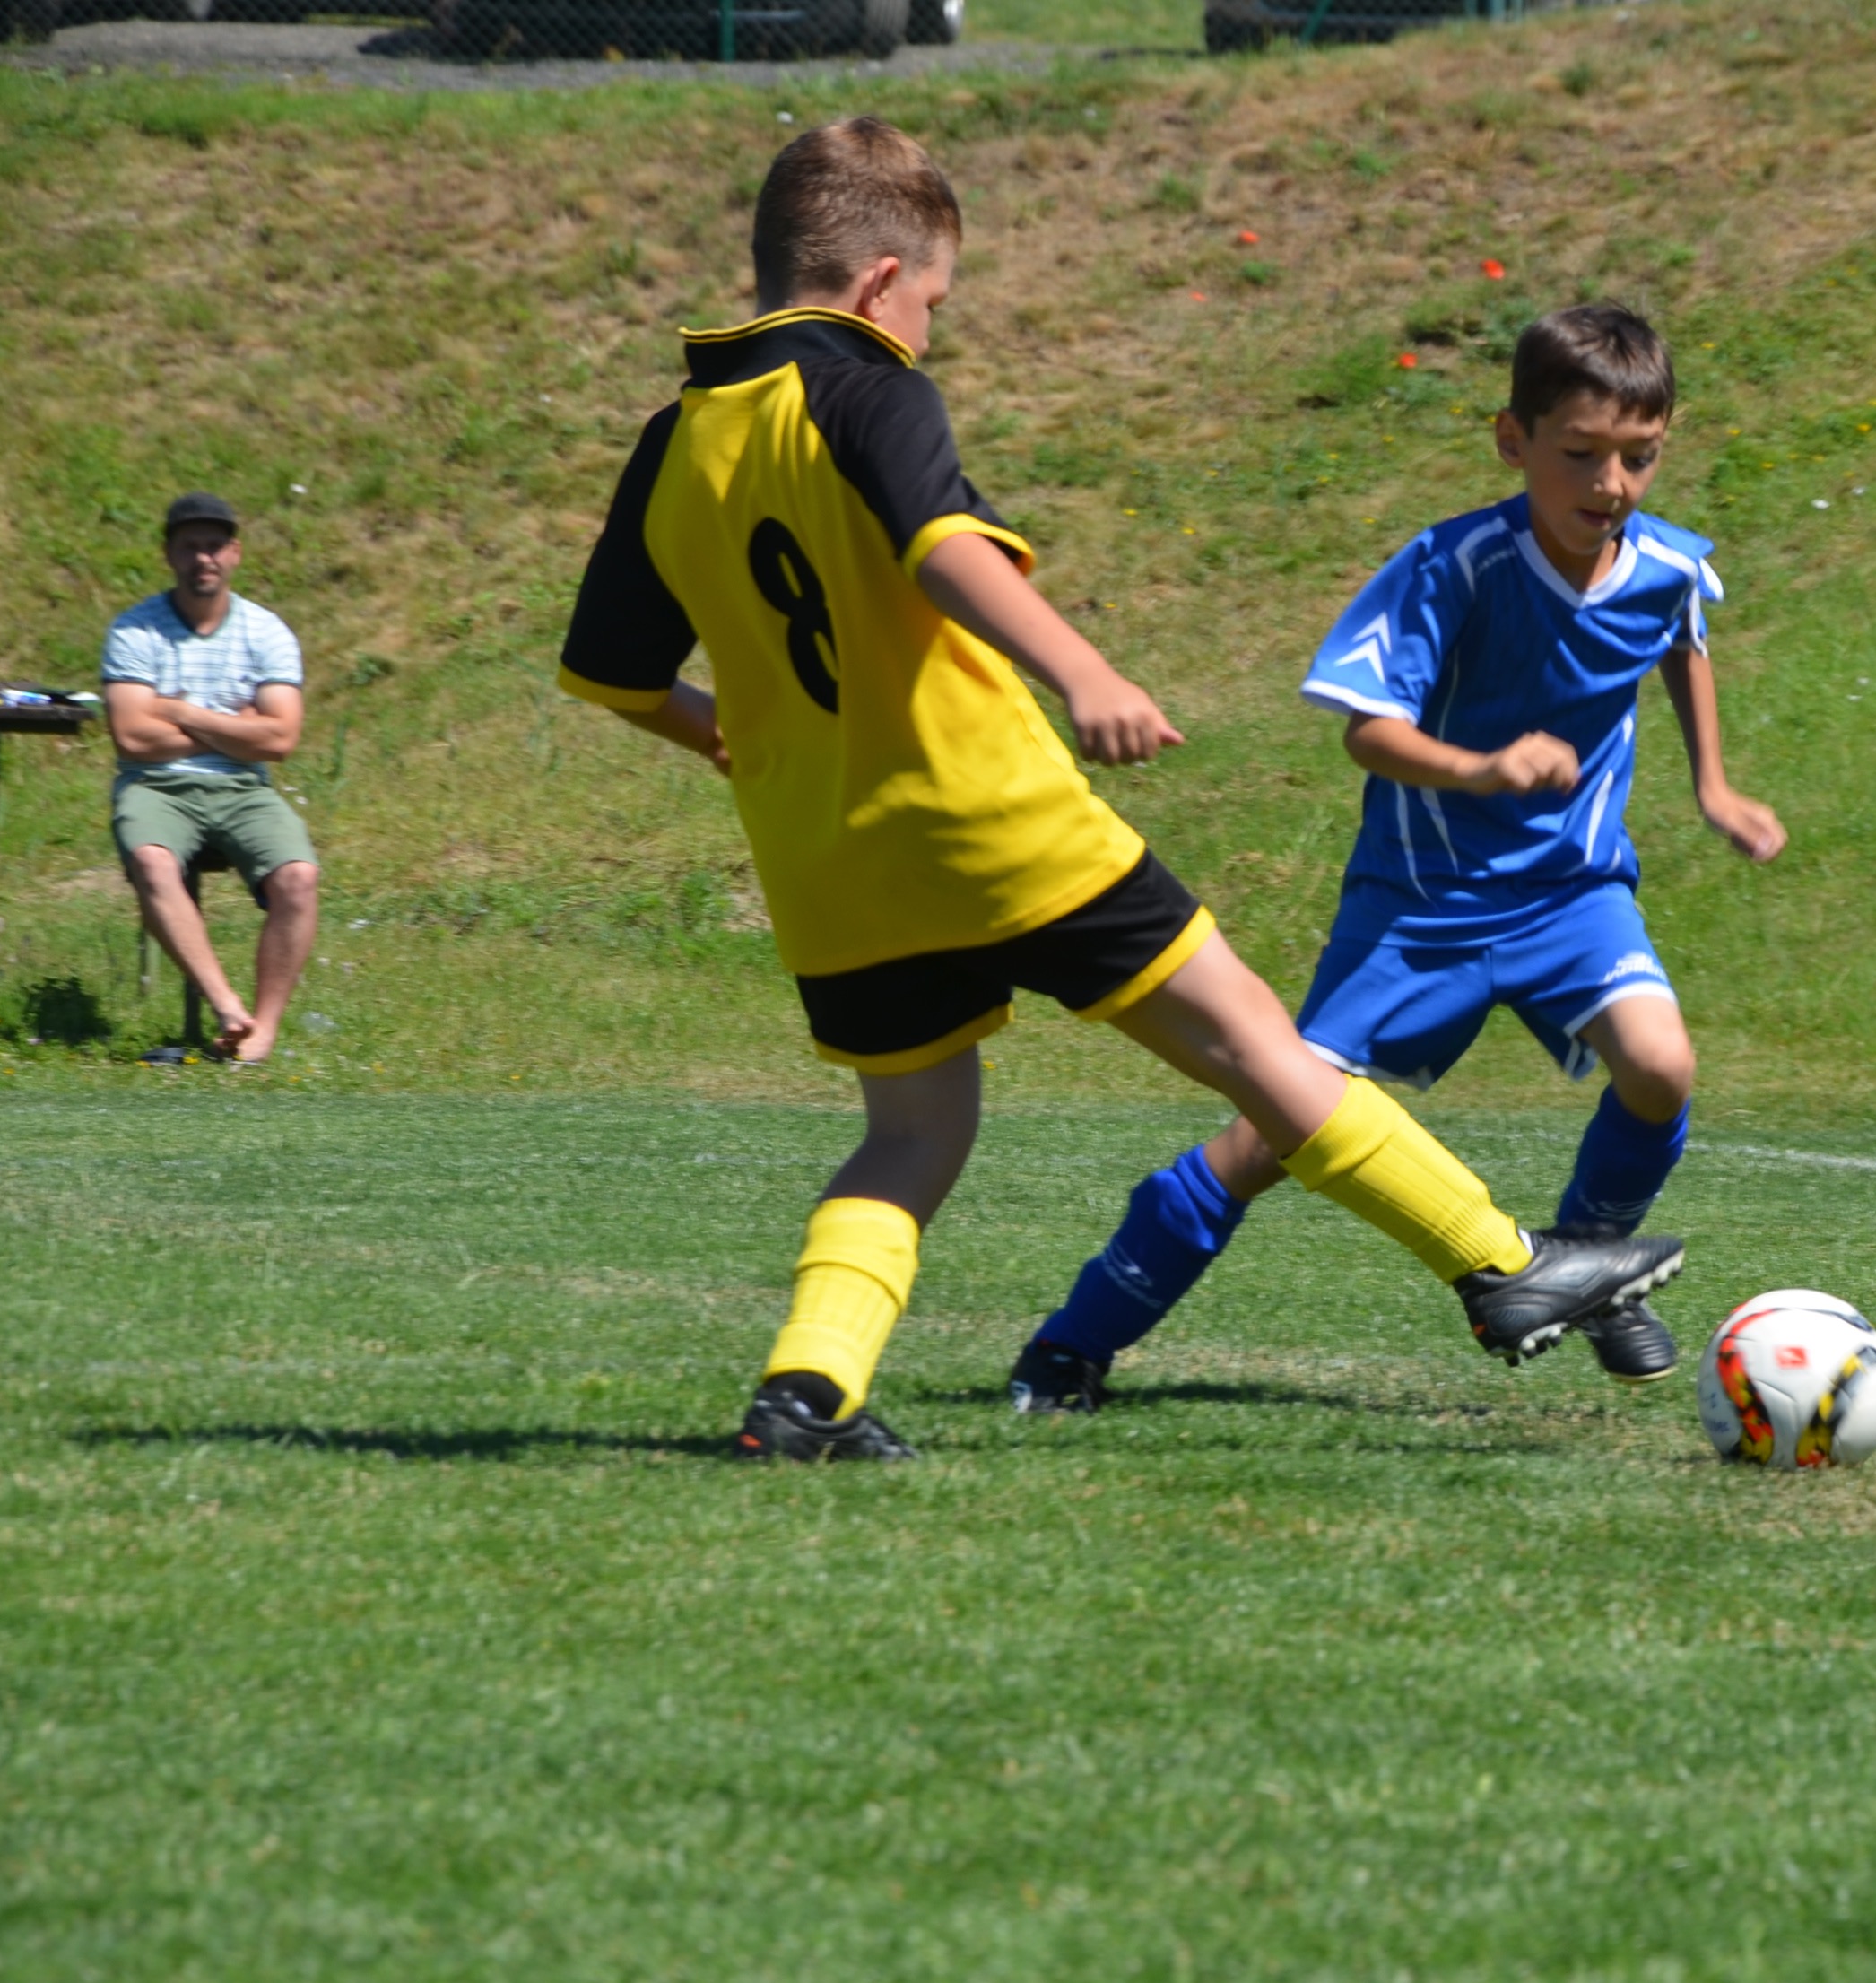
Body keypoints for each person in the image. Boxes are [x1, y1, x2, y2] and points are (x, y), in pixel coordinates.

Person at [554, 117, 1682, 1463]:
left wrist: (731, 739)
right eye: (934, 302)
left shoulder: (674, 439)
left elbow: (613, 675)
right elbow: (943, 550)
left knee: (910, 1136)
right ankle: (1501, 1266)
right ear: (879, 284)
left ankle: (806, 1395)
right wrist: (1084, 674)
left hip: (827, 863)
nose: (930, 329)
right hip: (991, 820)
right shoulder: (870, 390)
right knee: (1259, 1046)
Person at [1006, 302, 1785, 1414]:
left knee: (1661, 1066)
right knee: (1270, 1137)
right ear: (1513, 441)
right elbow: (1366, 731)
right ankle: (1071, 1346)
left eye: (1640, 457)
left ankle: (1590, 1263)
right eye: (1580, 454)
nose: (1611, 484)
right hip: (1420, 912)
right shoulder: (1455, 566)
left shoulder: (1665, 563)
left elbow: (1680, 638)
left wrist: (1713, 784)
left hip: (1573, 895)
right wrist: (1482, 768)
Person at [101, 491, 319, 1063]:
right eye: (191, 546)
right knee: (152, 861)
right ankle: (227, 1008)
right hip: (156, 785)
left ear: (235, 554)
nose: (204, 558)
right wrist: (235, 727)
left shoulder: (266, 632)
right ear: (169, 554)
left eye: (215, 546)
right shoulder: (134, 631)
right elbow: (132, 738)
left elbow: (281, 740)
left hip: (243, 786)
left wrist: (179, 711)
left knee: (299, 877)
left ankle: (262, 1032)